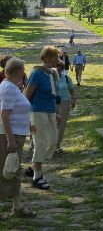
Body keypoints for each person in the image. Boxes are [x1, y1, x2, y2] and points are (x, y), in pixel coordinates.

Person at [0, 58, 35, 219]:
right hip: (10, 135)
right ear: (16, 71)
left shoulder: (12, 86)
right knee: (6, 170)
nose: (24, 73)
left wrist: (28, 126)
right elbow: (4, 115)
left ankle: (17, 206)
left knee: (14, 170)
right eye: (22, 70)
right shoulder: (8, 88)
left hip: (16, 134)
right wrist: (11, 140)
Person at [24, 46, 61, 190]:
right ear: (46, 58)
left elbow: (53, 96)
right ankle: (37, 177)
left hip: (50, 111)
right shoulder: (37, 73)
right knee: (40, 142)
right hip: (38, 111)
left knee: (52, 141)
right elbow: (27, 95)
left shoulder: (53, 73)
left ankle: (33, 167)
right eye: (55, 57)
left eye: (58, 57)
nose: (57, 60)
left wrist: (56, 113)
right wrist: (26, 117)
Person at [54, 60, 76, 155]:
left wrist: (73, 100)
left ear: (62, 69)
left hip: (64, 103)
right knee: (52, 124)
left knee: (61, 125)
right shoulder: (49, 78)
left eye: (60, 69)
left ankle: (57, 145)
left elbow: (72, 90)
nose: (58, 71)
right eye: (56, 68)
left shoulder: (66, 78)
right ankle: (50, 145)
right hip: (52, 103)